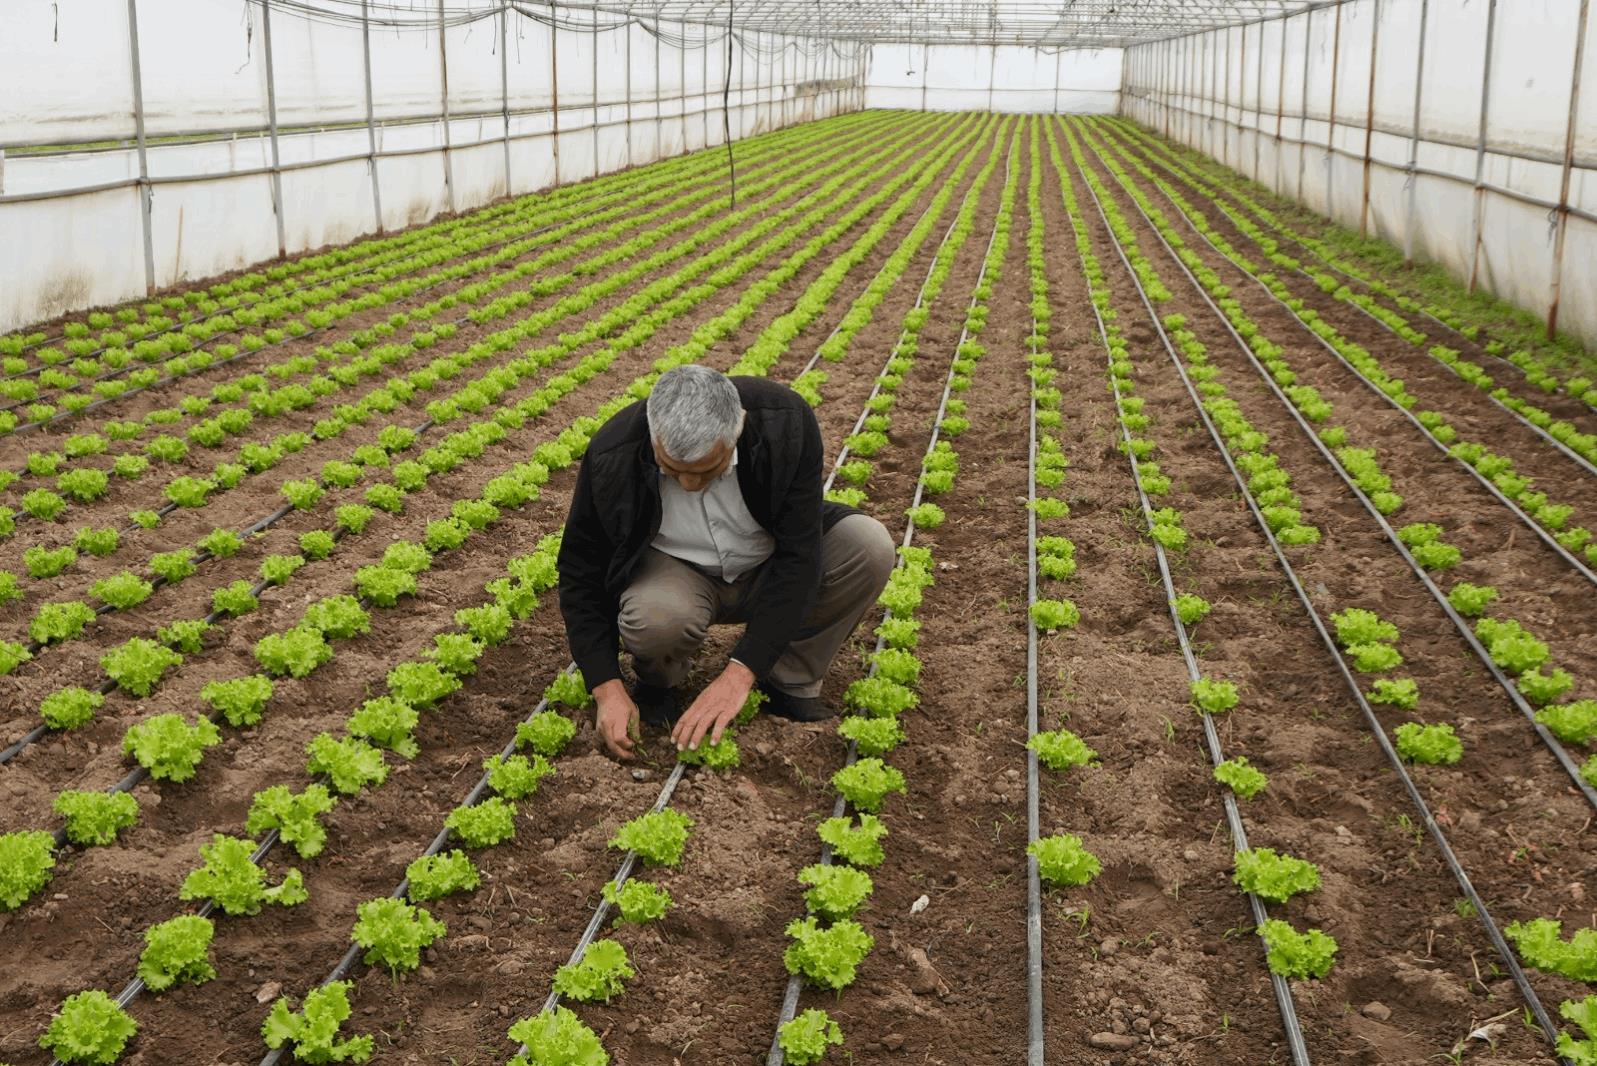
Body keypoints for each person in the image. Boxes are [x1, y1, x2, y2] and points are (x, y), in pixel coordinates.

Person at [557, 364, 896, 760]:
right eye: (672, 470)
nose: (689, 484)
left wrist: (741, 672)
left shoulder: (784, 423)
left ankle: (788, 679)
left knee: (868, 546)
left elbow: (799, 557)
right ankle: (659, 681)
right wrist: (605, 687)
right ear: (653, 434)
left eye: (707, 471)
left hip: (766, 559)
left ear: (738, 430)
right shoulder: (613, 451)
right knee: (656, 620)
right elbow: (580, 571)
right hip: (676, 569)